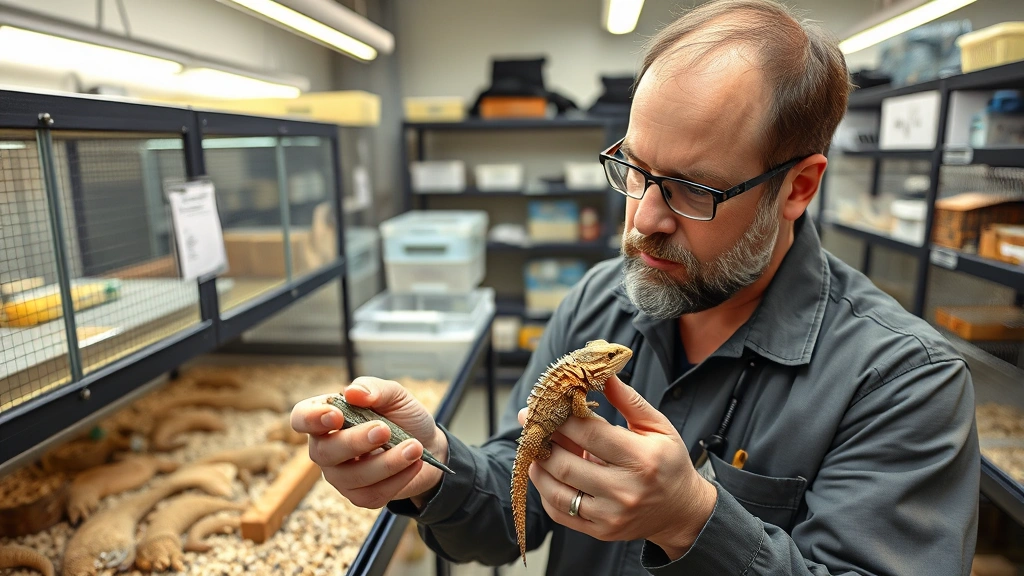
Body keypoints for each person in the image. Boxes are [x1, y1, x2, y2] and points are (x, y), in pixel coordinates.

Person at [291, 0, 980, 573]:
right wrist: (432, 466)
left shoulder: (906, 382)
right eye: (635, 168)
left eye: (690, 189)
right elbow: (512, 511)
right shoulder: (600, 299)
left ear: (797, 187)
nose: (643, 219)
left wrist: (694, 523)